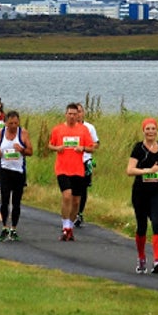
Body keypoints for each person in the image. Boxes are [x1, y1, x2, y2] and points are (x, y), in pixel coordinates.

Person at [126, 117, 158, 274]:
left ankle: (157, 260)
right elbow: (130, 170)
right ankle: (141, 258)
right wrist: (148, 171)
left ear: (157, 130)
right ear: (143, 131)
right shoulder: (138, 148)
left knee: (157, 222)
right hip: (140, 192)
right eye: (148, 129)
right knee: (142, 227)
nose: (151, 131)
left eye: (153, 129)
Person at [47, 103, 94, 241]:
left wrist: (83, 148)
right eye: (70, 114)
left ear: (78, 115)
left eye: (75, 114)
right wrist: (57, 148)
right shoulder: (58, 129)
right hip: (62, 168)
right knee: (67, 196)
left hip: (78, 169)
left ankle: (70, 227)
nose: (72, 116)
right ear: (65, 114)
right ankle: (65, 226)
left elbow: (91, 148)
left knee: (76, 201)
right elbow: (50, 144)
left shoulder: (83, 130)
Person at [0, 110, 33, 242]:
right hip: (4, 170)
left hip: (18, 171)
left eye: (16, 123)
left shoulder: (23, 133)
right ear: (5, 123)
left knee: (16, 202)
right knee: (5, 200)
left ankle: (13, 228)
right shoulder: (0, 133)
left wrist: (22, 150)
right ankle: (4, 228)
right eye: (11, 123)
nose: (14, 126)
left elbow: (30, 151)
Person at [74, 103, 99, 228]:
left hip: (85, 161)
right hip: (71, 162)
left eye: (80, 111)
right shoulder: (68, 128)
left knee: (83, 189)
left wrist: (85, 148)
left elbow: (96, 144)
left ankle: (80, 213)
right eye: (75, 112)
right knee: (72, 189)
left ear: (83, 113)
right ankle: (72, 212)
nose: (77, 114)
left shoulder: (89, 127)